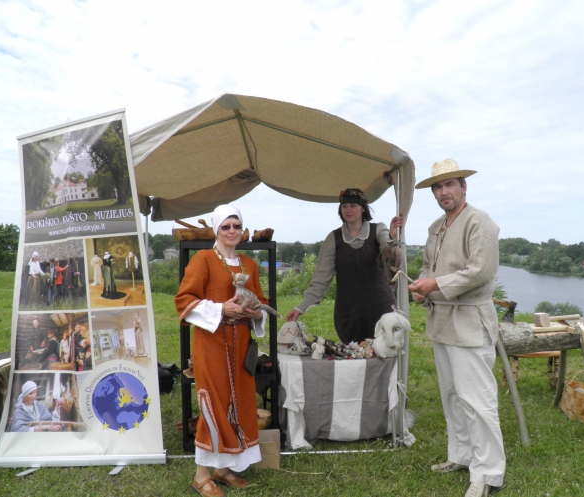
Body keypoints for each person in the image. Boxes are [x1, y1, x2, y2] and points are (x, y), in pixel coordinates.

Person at [408, 159, 505, 497]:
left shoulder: (480, 221)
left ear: (464, 187)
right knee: (452, 397)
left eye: (450, 184)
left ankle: (489, 474)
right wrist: (422, 287)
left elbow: (479, 271)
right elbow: (426, 267)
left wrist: (434, 284)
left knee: (477, 401)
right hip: (442, 322)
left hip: (469, 321)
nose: (443, 191)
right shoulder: (436, 226)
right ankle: (462, 456)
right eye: (437, 186)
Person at [175, 204, 268, 497]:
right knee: (213, 404)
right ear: (216, 230)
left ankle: (223, 468)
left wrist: (257, 314)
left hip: (240, 344)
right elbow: (184, 299)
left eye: (236, 226)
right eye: (226, 227)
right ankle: (201, 476)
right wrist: (220, 308)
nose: (231, 232)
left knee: (239, 403)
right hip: (211, 344)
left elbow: (260, 300)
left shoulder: (249, 264)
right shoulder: (203, 259)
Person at [285, 188, 403, 344]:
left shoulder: (378, 230)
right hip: (349, 313)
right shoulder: (333, 238)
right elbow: (321, 278)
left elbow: (388, 253)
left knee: (385, 356)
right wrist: (300, 307)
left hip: (380, 307)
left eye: (353, 205)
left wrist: (392, 238)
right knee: (355, 360)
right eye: (344, 206)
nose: (348, 210)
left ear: (363, 208)